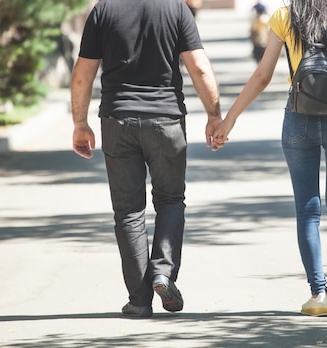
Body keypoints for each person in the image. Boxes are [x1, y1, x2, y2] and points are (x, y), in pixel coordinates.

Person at [211, 0, 327, 316]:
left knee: (307, 209)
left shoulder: (286, 15)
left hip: (299, 113)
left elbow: (262, 76)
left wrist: (229, 119)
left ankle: (319, 295)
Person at [70, 0, 222, 318]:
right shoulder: (176, 9)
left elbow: (83, 75)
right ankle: (163, 273)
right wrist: (214, 115)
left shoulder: (103, 10)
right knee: (170, 200)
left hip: (117, 120)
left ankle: (139, 301)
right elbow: (199, 67)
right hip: (166, 120)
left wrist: (80, 124)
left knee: (128, 212)